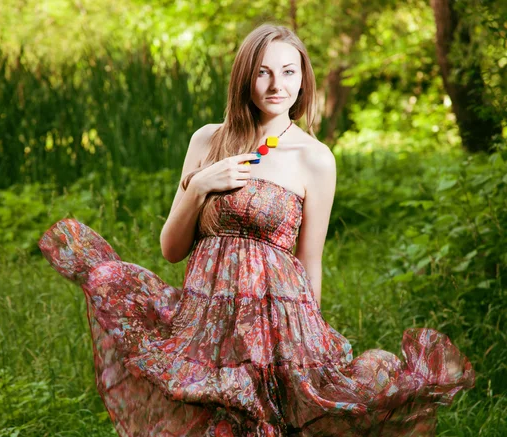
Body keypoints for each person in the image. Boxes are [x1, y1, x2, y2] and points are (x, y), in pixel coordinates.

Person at [38, 23, 475, 436]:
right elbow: (171, 248)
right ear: (245, 78)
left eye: (288, 71)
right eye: (263, 72)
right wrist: (200, 187)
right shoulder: (208, 141)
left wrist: (313, 345)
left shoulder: (315, 158)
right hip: (205, 318)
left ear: (303, 78)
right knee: (114, 283)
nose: (276, 85)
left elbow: (310, 260)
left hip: (274, 323)